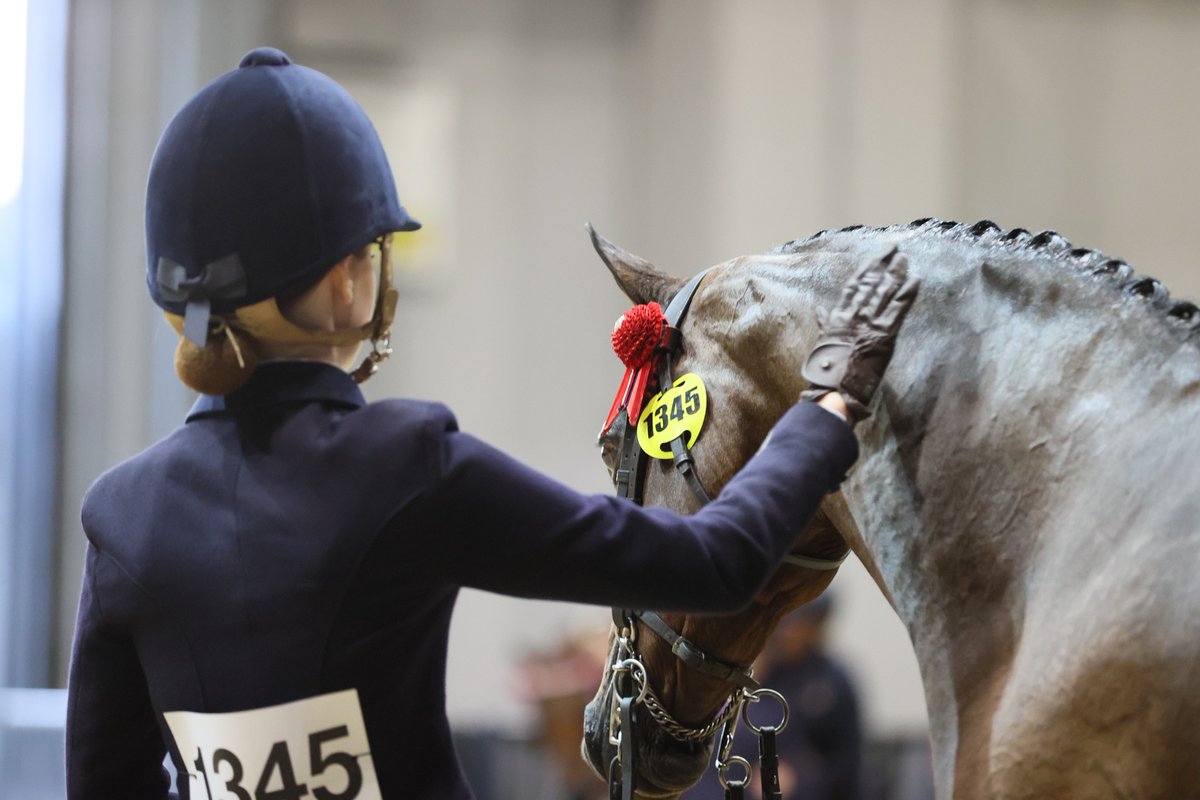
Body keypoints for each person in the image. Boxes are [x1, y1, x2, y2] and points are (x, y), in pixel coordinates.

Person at [64, 48, 918, 800]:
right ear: (344, 284)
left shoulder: (122, 516)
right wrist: (830, 403)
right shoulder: (405, 465)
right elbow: (715, 563)